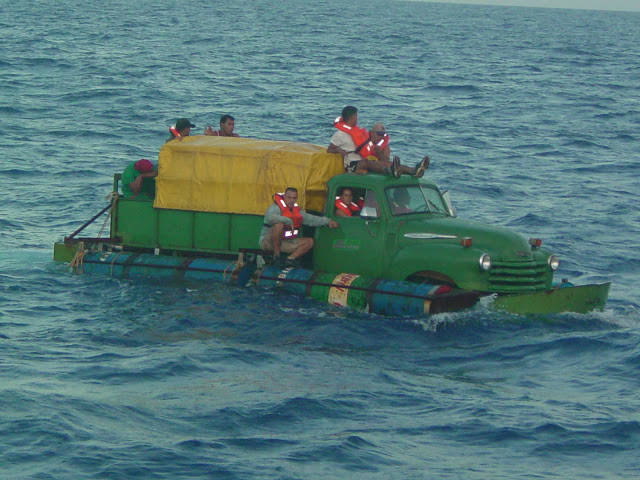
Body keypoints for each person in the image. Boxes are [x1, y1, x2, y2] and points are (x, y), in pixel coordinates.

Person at [327, 106, 428, 178]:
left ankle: (413, 171)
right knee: (368, 163)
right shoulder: (339, 134)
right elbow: (329, 149)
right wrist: (339, 150)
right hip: (352, 165)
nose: (357, 118)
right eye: (356, 116)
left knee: (384, 162)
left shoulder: (358, 132)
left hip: (362, 160)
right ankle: (391, 170)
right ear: (352, 117)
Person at [260, 187, 338, 266]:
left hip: (286, 241)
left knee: (309, 242)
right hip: (268, 242)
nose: (291, 200)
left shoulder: (296, 211)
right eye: (289, 197)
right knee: (278, 225)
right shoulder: (275, 207)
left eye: (294, 198)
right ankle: (276, 256)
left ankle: (290, 259)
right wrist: (287, 220)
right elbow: (269, 218)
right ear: (284, 197)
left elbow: (311, 219)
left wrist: (327, 221)